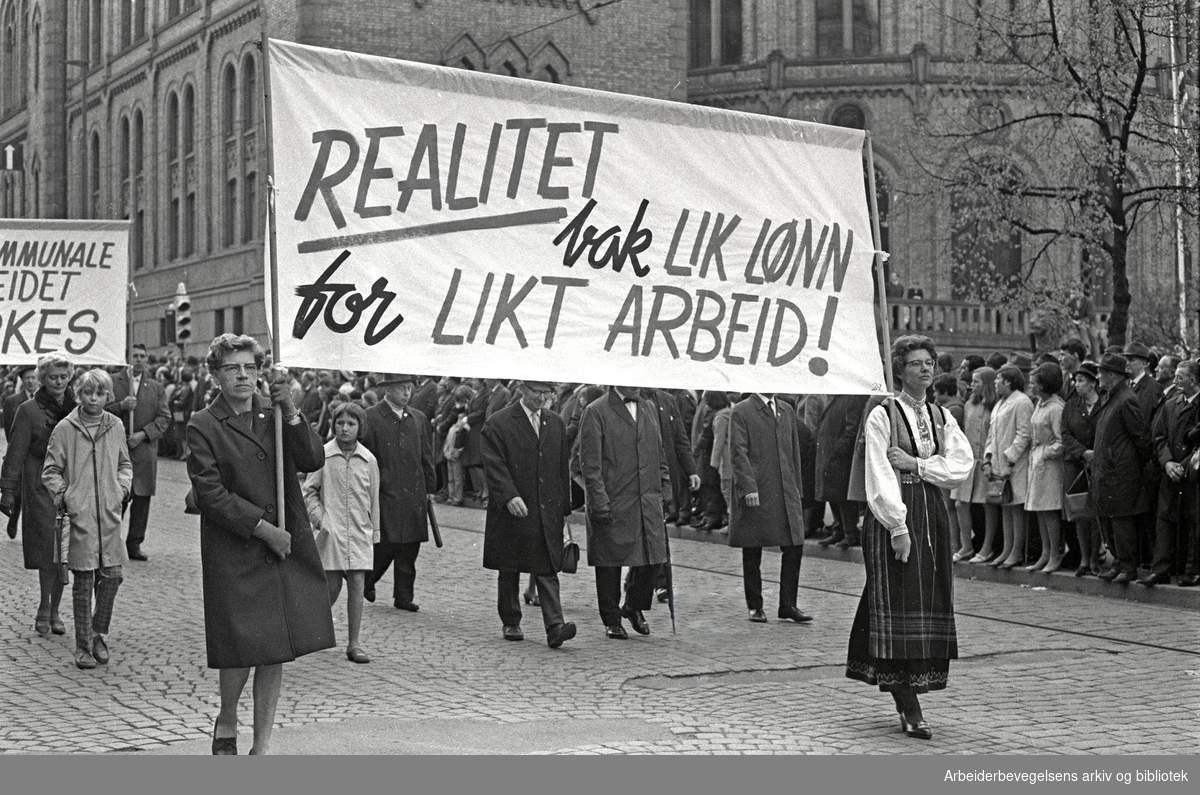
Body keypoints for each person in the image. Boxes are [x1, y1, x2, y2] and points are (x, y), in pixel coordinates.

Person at [187, 334, 335, 755]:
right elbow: (210, 494)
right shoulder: (203, 423)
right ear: (215, 375)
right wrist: (263, 529)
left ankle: (262, 746)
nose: (243, 376)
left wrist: (290, 409)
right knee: (240, 646)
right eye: (233, 368)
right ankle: (228, 715)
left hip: (283, 546)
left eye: (250, 368)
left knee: (274, 647)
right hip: (236, 547)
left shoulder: (274, 415)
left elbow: (311, 460)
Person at [846, 335, 973, 740]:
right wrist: (898, 528)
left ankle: (910, 689)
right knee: (898, 598)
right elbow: (879, 473)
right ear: (899, 369)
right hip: (895, 516)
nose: (924, 368)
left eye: (929, 362)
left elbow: (959, 466)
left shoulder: (940, 415)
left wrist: (918, 464)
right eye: (916, 363)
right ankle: (908, 702)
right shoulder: (883, 413)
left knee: (927, 595)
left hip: (932, 512)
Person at [41, 369, 133, 669]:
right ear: (79, 394)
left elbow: (124, 463)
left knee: (113, 576)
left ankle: (98, 632)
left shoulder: (116, 425)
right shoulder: (65, 429)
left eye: (100, 393)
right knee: (83, 583)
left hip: (109, 514)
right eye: (88, 393)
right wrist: (66, 495)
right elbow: (51, 470)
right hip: (79, 516)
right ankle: (82, 646)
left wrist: (121, 488)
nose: (94, 399)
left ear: (109, 396)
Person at [481, 380, 577, 649]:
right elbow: (493, 463)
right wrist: (509, 494)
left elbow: (561, 467)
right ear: (523, 389)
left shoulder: (555, 423)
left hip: (546, 507)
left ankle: (555, 626)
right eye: (537, 392)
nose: (543, 398)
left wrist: (564, 507)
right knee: (509, 565)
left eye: (547, 393)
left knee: (547, 564)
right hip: (513, 507)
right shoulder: (499, 423)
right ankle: (511, 620)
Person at [578, 385, 670, 639]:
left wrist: (665, 488)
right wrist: (599, 500)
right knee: (610, 560)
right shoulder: (595, 412)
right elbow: (590, 462)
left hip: (647, 498)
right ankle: (611, 618)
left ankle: (633, 606)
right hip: (614, 498)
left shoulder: (648, 408)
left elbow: (659, 453)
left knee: (651, 557)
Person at [1, 353, 77, 638]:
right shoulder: (28, 410)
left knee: (66, 551)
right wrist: (7, 489)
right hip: (40, 487)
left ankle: (55, 609)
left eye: (63, 377)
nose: (58, 382)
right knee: (49, 549)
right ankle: (45, 607)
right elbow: (16, 451)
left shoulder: (79, 407)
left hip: (73, 487)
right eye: (52, 377)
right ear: (42, 379)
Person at [302, 402, 380, 663]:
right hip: (331, 531)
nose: (344, 429)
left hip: (359, 530)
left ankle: (354, 644)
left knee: (357, 584)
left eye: (351, 424)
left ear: (361, 428)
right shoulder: (322, 455)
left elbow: (374, 499)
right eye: (340, 423)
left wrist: (374, 532)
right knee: (331, 586)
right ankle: (312, 631)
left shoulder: (368, 460)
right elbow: (308, 491)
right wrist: (320, 518)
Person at [729, 391, 811, 624]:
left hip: (785, 490)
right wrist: (748, 487)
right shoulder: (741, 411)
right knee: (752, 547)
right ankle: (755, 606)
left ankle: (788, 604)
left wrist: (797, 489)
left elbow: (794, 452)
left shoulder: (786, 410)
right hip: (759, 489)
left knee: (795, 544)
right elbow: (738, 452)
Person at [361, 373, 437, 611]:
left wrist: (430, 488)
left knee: (410, 545)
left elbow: (426, 456)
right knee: (387, 542)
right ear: (388, 390)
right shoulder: (371, 417)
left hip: (414, 491)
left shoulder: (418, 418)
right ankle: (367, 579)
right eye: (402, 388)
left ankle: (404, 596)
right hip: (385, 490)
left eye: (410, 388)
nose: (407, 393)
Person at [1091, 353, 1153, 584]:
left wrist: (1124, 461)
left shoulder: (1125, 399)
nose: (1098, 377)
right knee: (1108, 518)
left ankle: (1128, 566)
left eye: (1101, 372)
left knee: (1121, 520)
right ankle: (1119, 562)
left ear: (1113, 375)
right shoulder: (1112, 397)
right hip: (1108, 470)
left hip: (1120, 472)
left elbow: (1142, 438)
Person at [105, 343, 171, 562]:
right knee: (117, 499)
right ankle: (110, 541)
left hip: (143, 451)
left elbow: (164, 417)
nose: (139, 360)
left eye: (143, 356)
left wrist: (143, 434)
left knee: (141, 500)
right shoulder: (112, 381)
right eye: (135, 356)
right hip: (117, 450)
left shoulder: (155, 387)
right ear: (127, 358)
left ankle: (134, 543)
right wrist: (121, 406)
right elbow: (98, 409)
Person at [1141, 360, 1199, 586]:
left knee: (1193, 520)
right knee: (1164, 518)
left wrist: (1181, 465)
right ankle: (1160, 569)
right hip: (1171, 471)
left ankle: (1191, 569)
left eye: (1180, 377)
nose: (1175, 381)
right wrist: (1167, 464)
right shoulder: (1171, 404)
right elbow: (1160, 437)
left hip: (1191, 471)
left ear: (1193, 380)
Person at [983, 364, 1034, 569]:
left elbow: (1024, 434)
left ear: (1009, 381)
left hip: (1016, 464)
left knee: (1015, 507)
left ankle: (1016, 551)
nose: (995, 383)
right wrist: (988, 458)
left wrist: (1009, 458)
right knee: (1005, 506)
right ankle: (1007, 548)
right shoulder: (999, 403)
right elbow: (991, 434)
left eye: (998, 380)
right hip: (998, 465)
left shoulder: (1022, 402)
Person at [952, 367, 999, 563]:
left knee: (988, 505)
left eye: (977, 381)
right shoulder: (969, 405)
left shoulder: (994, 405)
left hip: (986, 461)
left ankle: (987, 547)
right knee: (960, 502)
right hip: (969, 461)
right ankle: (966, 546)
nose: (972, 385)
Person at [1024, 363, 1066, 572]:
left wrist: (1045, 453)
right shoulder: (1040, 405)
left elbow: (1061, 440)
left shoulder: (1056, 408)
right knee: (1039, 510)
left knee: (1049, 510)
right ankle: (1045, 552)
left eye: (1034, 383)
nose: (1030, 386)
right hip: (1038, 463)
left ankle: (1055, 554)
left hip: (1050, 466)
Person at [1062, 362, 1102, 576]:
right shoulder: (1071, 405)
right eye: (1075, 381)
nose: (1077, 385)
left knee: (1095, 512)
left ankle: (1095, 559)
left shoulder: (1103, 403)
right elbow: (1065, 432)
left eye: (1081, 381)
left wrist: (1095, 453)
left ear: (1093, 383)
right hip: (1075, 462)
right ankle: (1084, 560)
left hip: (1097, 462)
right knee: (1078, 510)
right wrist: (1082, 452)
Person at [814, 394, 869, 549]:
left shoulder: (850, 398)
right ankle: (839, 530)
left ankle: (850, 533)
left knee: (842, 495)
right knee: (832, 493)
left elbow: (851, 428)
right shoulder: (834, 397)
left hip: (840, 458)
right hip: (830, 455)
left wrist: (837, 450)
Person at [2, 363, 39, 539]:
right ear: (22, 380)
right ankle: (13, 518)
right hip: (19, 453)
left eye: (33, 377)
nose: (30, 381)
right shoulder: (12, 401)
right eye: (27, 378)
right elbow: (10, 430)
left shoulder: (45, 399)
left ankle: (30, 528)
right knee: (17, 492)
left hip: (38, 455)